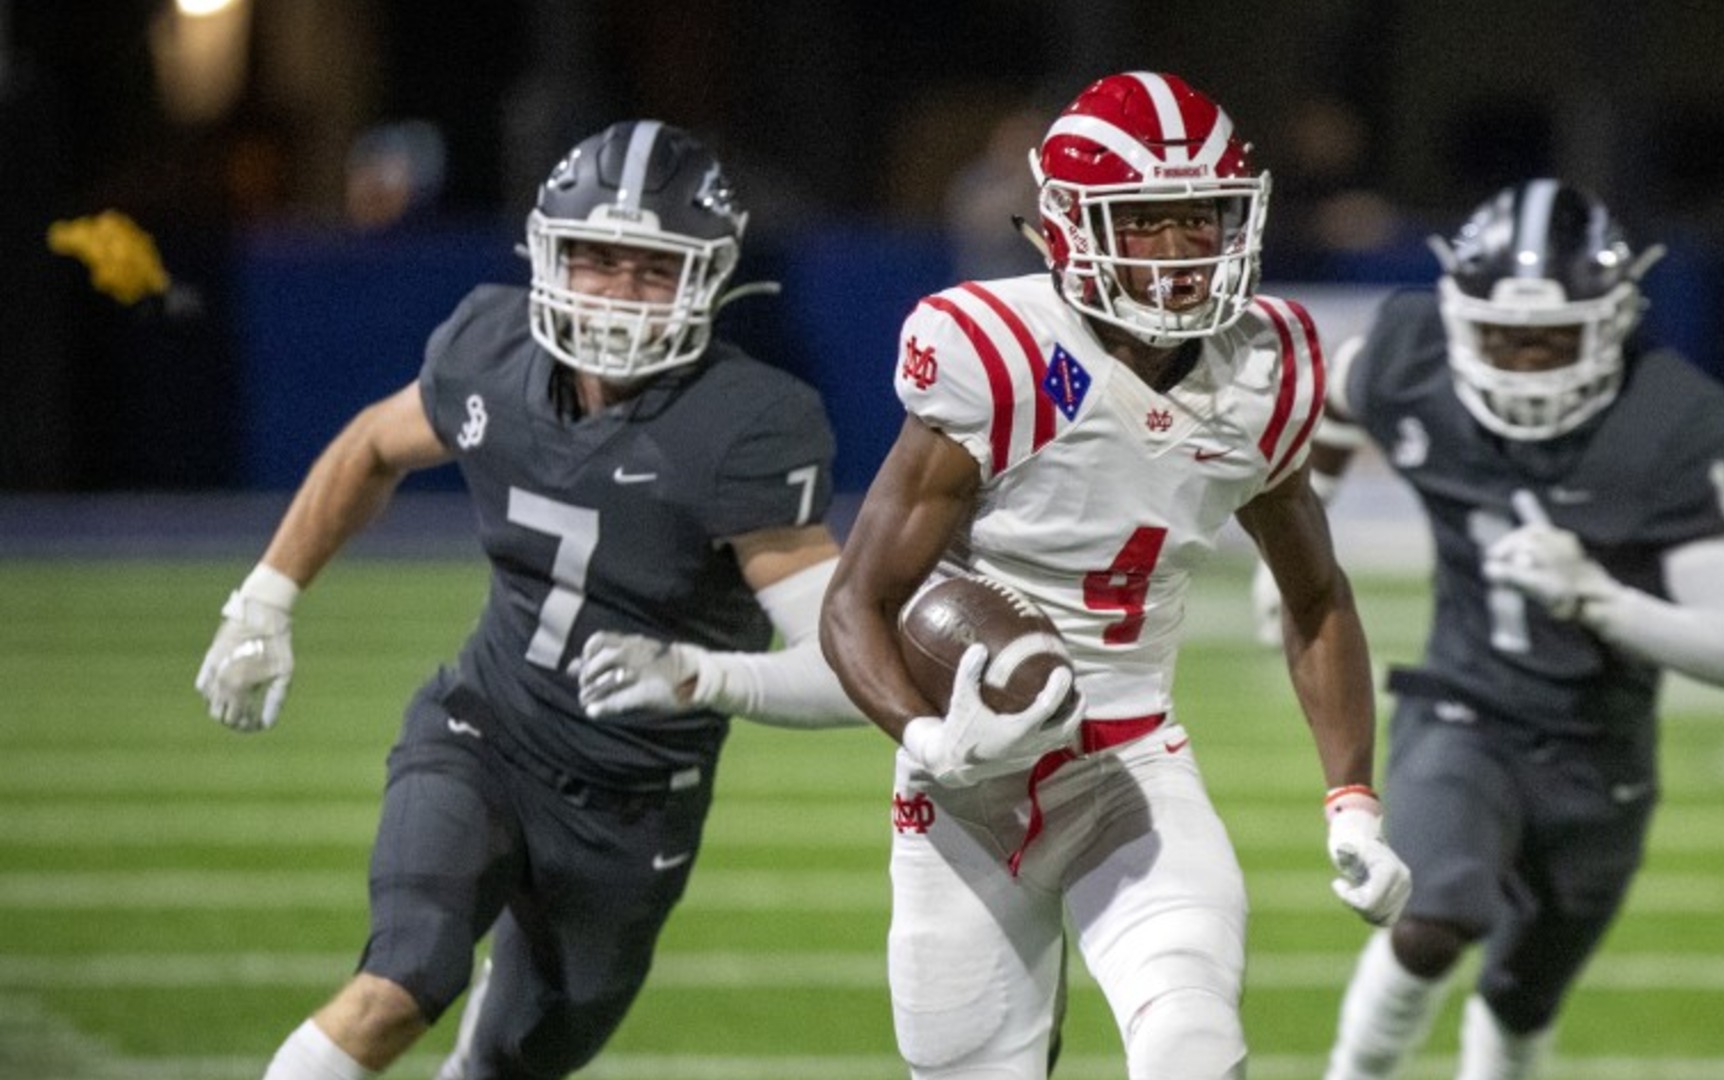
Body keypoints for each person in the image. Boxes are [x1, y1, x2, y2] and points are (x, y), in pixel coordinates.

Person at [193, 120, 860, 1080]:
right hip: (484, 732)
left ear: (706, 278)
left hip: (632, 805)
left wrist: (702, 677)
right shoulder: (492, 347)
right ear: (548, 253)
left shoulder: (748, 426)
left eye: (651, 269)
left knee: (512, 1062)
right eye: (595, 259)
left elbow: (843, 663)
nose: (618, 296)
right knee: (400, 981)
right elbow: (371, 447)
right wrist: (264, 598)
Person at [820, 71, 1413, 1080]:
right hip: (964, 787)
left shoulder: (1265, 369)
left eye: (1202, 219)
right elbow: (857, 601)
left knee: (1195, 1043)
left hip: (1130, 768)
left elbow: (1316, 597)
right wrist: (931, 737)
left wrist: (1352, 796)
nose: (1182, 254)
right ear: (1065, 230)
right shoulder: (998, 354)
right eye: (1146, 223)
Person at [1251, 179, 1724, 1079]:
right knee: (1428, 923)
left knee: (1523, 1000)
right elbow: (1335, 400)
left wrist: (1596, 600)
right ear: (1461, 319)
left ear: (1610, 323)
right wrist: (1293, 552)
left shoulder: (1670, 418)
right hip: (1466, 703)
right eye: (1502, 336)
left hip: (1599, 744)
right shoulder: (1412, 353)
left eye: (1551, 339)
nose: (1525, 363)